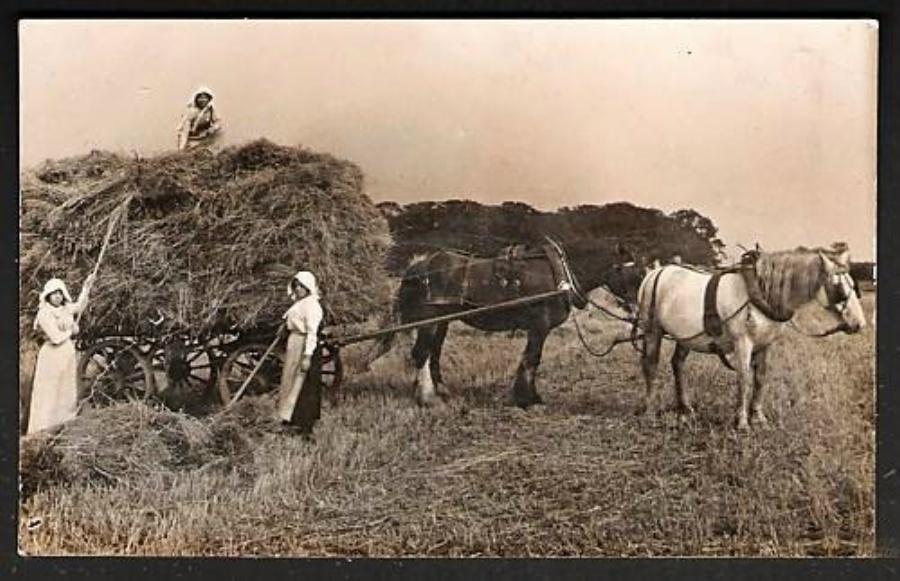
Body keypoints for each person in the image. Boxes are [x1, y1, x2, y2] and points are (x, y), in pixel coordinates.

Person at [27, 274, 96, 435]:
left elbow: (79, 306)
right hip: (52, 355)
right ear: (48, 295)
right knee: (50, 390)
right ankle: (44, 428)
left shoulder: (65, 309)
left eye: (60, 293)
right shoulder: (44, 314)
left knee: (65, 388)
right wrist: (71, 331)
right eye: (54, 293)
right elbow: (56, 337)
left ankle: (63, 424)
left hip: (67, 354)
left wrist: (86, 286)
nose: (57, 297)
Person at [276, 271, 324, 428]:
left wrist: (307, 357)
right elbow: (292, 317)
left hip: (305, 345)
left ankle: (305, 425)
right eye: (296, 285)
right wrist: (285, 326)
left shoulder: (312, 306)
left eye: (301, 286)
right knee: (290, 379)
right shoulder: (300, 303)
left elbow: (312, 333)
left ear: (308, 287)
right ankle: (290, 417)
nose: (298, 289)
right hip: (295, 342)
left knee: (304, 384)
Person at [176, 86, 222, 151]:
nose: (203, 100)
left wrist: (212, 129)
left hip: (206, 135)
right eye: (200, 98)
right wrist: (181, 148)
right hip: (192, 138)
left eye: (205, 98)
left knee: (219, 133)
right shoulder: (191, 111)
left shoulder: (211, 109)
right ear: (196, 99)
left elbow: (218, 121)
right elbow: (185, 131)